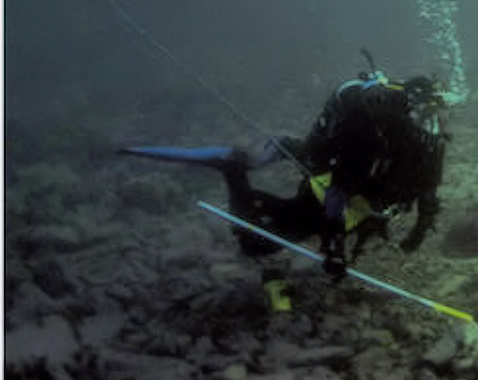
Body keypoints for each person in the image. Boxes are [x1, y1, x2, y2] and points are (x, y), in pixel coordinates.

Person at [121, 65, 449, 313]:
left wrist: (415, 235)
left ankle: (267, 164)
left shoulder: (429, 146)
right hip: (328, 193)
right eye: (422, 114)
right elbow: (340, 186)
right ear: (407, 109)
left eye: (433, 115)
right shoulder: (373, 131)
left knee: (285, 233)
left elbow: (428, 192)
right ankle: (233, 165)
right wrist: (334, 248)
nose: (426, 123)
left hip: (354, 202)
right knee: (255, 240)